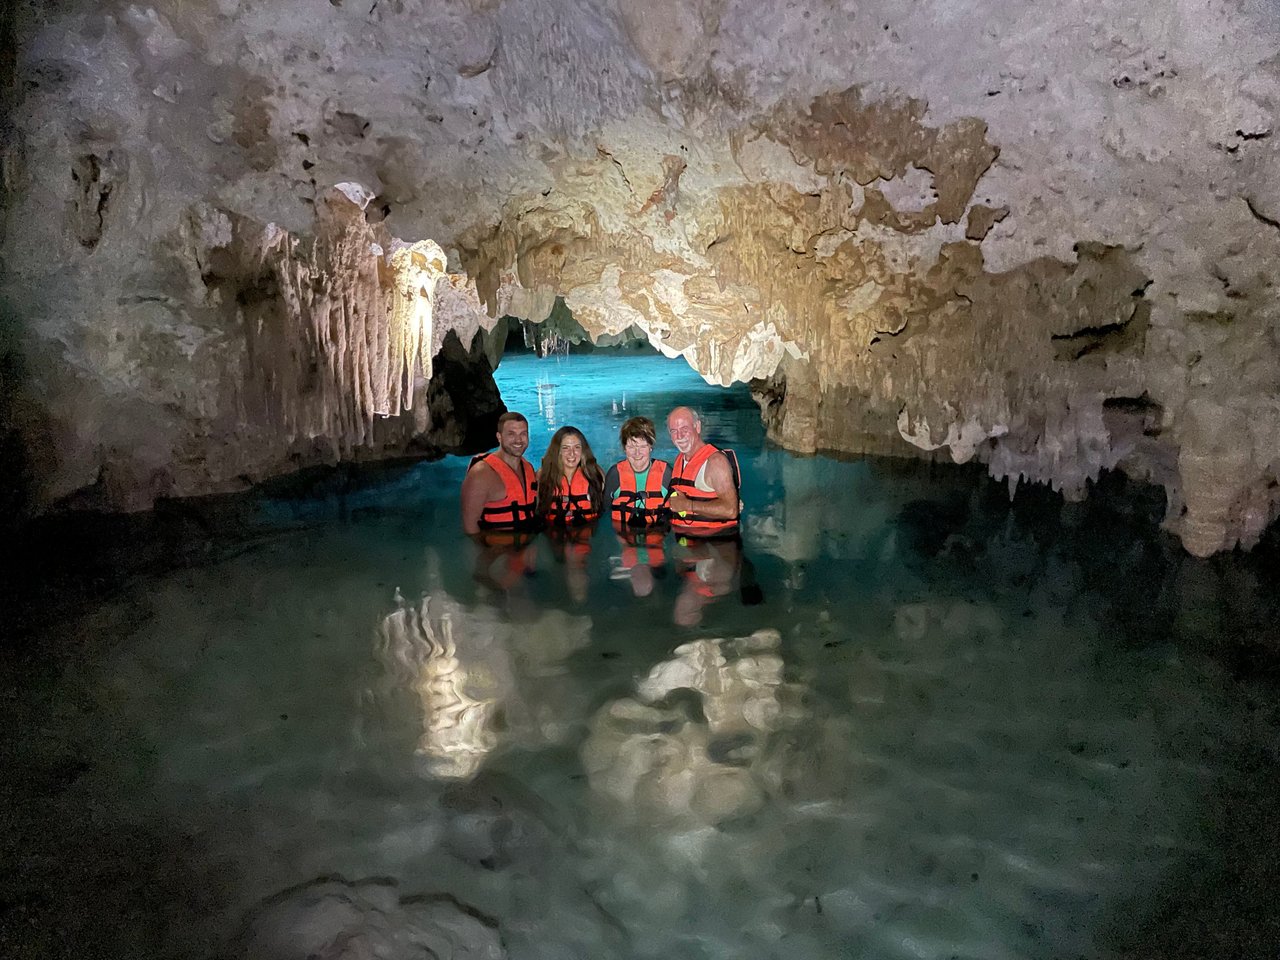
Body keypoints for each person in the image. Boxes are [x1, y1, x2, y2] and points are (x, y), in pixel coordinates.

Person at [604, 416, 669, 597]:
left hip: (658, 538)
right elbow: (604, 512)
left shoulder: (666, 474)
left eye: (642, 445)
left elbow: (681, 508)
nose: (637, 452)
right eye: (631, 446)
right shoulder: (615, 475)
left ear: (651, 447)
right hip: (624, 538)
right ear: (624, 448)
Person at [665, 406, 740, 539]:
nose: (679, 436)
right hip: (686, 541)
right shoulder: (679, 460)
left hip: (717, 543)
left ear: (697, 427)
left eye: (684, 429)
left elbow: (731, 510)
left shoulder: (715, 462)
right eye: (674, 431)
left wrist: (687, 505)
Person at [460, 411, 538, 536]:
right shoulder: (481, 474)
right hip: (496, 550)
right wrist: (489, 552)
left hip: (526, 547)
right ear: (499, 437)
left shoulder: (528, 468)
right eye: (511, 434)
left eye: (523, 434)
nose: (518, 440)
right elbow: (470, 529)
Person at [536, 426, 605, 527]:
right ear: (557, 451)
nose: (572, 453)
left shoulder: (596, 474)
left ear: (583, 450)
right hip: (554, 534)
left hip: (588, 533)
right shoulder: (542, 475)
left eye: (577, 447)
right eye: (565, 448)